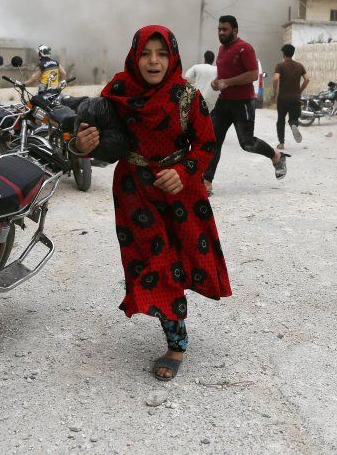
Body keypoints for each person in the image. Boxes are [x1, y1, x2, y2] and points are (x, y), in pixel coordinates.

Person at [72, 25, 231, 381]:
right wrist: (82, 146)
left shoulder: (186, 96)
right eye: (146, 53)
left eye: (161, 53)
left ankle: (172, 326)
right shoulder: (115, 93)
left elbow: (206, 144)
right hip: (135, 192)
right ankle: (177, 343)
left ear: (172, 55)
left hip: (179, 190)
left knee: (182, 259)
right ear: (134, 55)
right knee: (156, 262)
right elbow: (97, 145)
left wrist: (185, 170)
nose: (153, 61)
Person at [203, 16, 288, 194]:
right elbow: (226, 74)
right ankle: (207, 182)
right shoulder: (222, 49)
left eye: (224, 29)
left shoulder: (244, 48)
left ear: (235, 30)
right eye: (219, 29)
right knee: (212, 140)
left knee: (247, 143)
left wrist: (228, 82)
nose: (221, 32)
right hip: (223, 102)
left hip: (243, 103)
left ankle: (277, 157)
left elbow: (253, 74)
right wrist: (218, 82)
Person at [272, 44, 309, 150]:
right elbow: (307, 79)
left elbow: (275, 79)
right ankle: (294, 125)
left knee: (281, 119)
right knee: (294, 118)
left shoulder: (280, 65)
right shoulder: (299, 65)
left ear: (283, 54)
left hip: (283, 97)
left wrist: (274, 92)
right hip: (295, 97)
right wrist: (300, 91)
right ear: (292, 53)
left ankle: (281, 143)